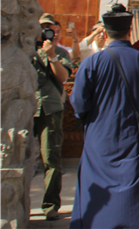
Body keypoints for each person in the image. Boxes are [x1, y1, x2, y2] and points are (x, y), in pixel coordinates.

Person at [70, 4, 139, 229]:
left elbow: (79, 104)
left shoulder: (91, 63)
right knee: (134, 192)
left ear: (104, 33)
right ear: (130, 30)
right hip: (133, 136)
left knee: (97, 189)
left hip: (99, 137)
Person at [33, 13, 75, 221]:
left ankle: (50, 205)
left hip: (50, 108)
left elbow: (63, 77)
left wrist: (51, 56)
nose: (47, 32)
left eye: (50, 28)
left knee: (51, 158)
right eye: (43, 28)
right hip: (24, 106)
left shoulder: (59, 52)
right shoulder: (26, 49)